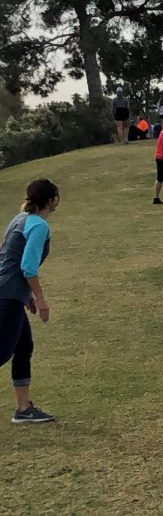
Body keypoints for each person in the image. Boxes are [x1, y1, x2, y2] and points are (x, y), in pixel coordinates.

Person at [0, 178, 59, 423]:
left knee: (23, 347)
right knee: (2, 352)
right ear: (51, 200)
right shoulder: (38, 225)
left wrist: (29, 295)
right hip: (7, 295)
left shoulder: (19, 219)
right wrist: (41, 298)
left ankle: (24, 409)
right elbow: (27, 266)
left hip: (11, 293)